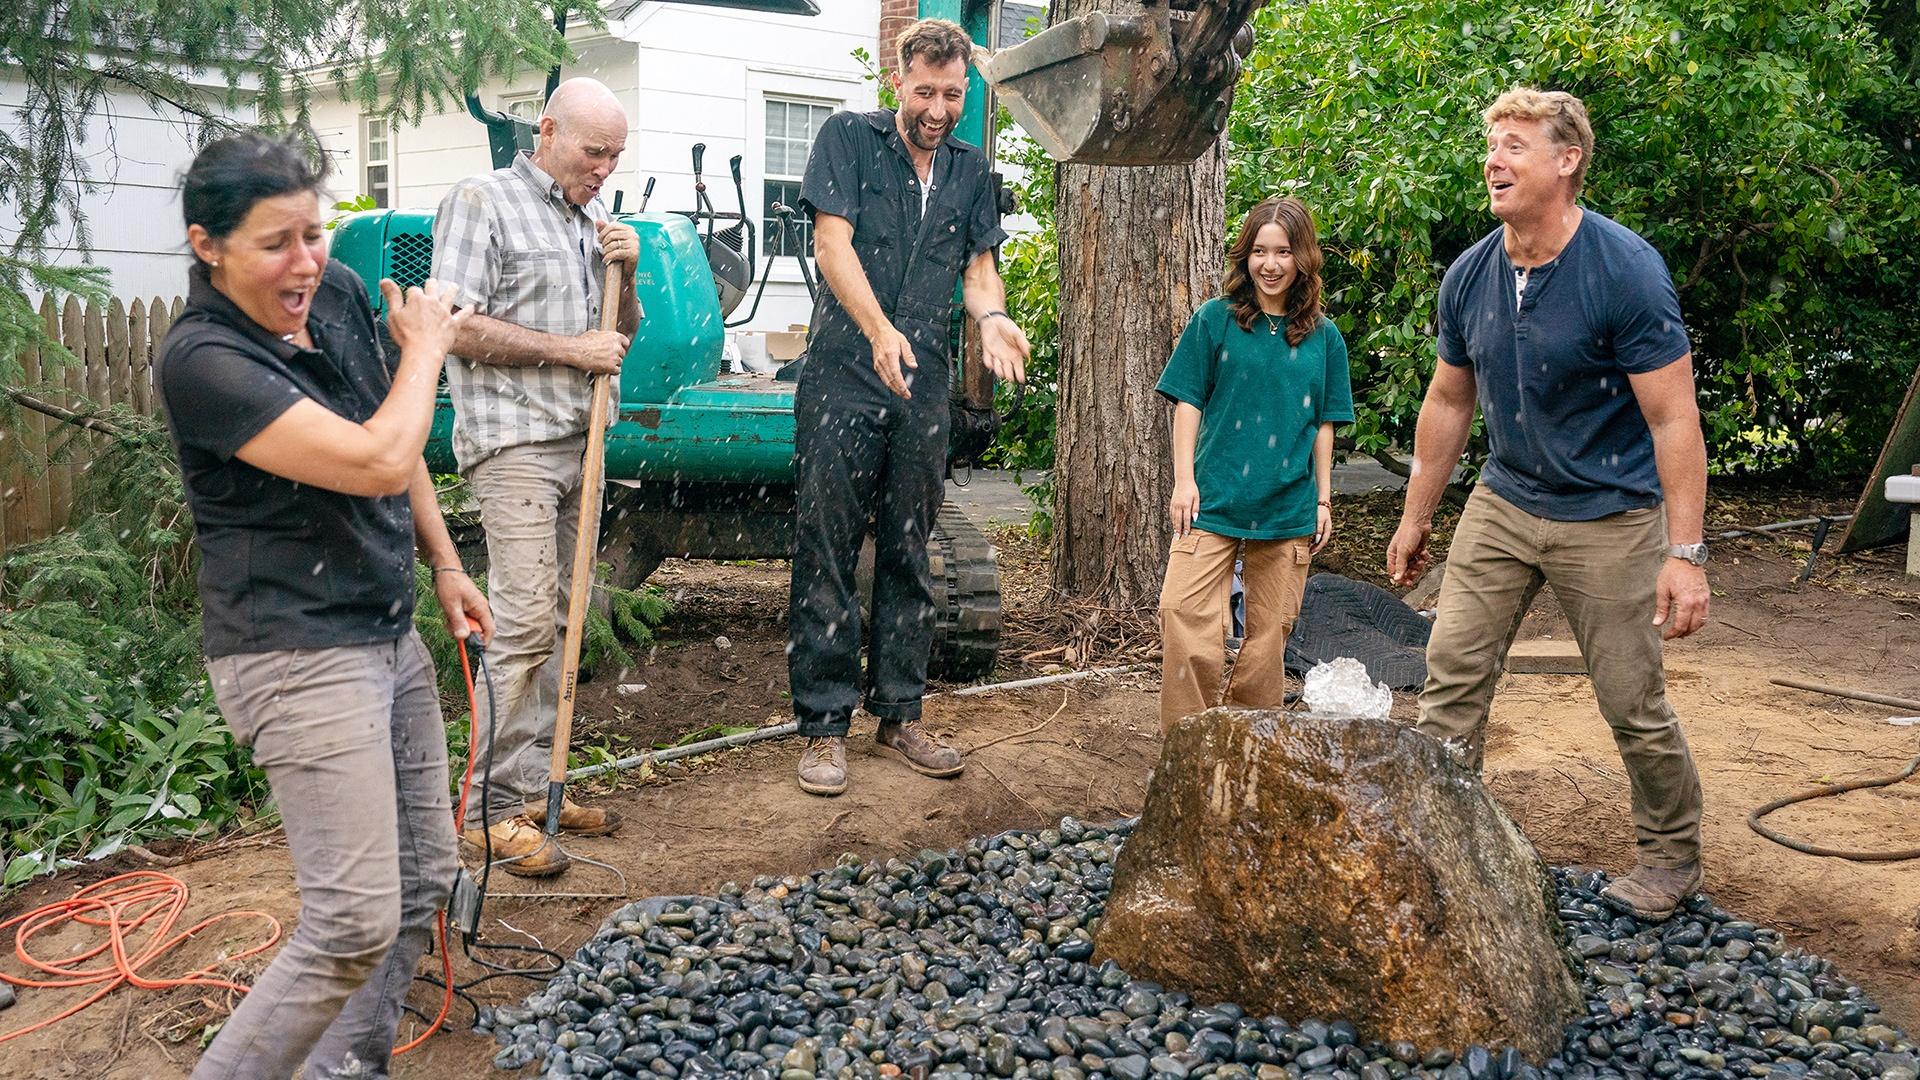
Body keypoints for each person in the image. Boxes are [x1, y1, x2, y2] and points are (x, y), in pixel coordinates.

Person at [157, 132, 491, 1080]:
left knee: (424, 873)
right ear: (207, 246)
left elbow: (392, 435)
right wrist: (429, 346)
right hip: (295, 657)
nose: (305, 262)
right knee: (348, 919)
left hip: (383, 633)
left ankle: (345, 1067)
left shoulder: (334, 291)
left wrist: (444, 563)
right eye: (276, 243)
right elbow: (379, 453)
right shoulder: (204, 362)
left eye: (315, 232)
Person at [1386, 88, 1711, 920]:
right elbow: (1449, 402)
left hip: (1610, 512)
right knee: (1449, 676)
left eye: (1516, 145)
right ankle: (1438, 836)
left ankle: (1670, 856)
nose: (1494, 159)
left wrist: (1685, 554)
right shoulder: (1472, 273)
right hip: (1507, 498)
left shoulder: (1623, 269)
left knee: (1630, 699)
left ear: (1566, 162)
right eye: (1492, 143)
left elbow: (1673, 417)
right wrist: (1418, 514)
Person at [788, 17, 1031, 796]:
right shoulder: (849, 140)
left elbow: (979, 270)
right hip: (843, 376)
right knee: (826, 547)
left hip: (923, 382)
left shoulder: (969, 168)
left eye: (953, 93)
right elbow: (833, 245)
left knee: (910, 545)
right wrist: (880, 329)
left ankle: (901, 712)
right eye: (926, 91)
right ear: (899, 79)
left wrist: (990, 319)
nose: (938, 107)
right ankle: (826, 729)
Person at [431, 77, 641, 875]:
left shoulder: (594, 218)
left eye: (616, 156)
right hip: (515, 445)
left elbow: (616, 335)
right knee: (520, 623)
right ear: (547, 132)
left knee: (563, 617)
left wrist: (631, 272)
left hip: (581, 441)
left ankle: (526, 792)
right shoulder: (481, 201)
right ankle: (482, 811)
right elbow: (453, 324)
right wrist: (566, 350)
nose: (605, 169)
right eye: (594, 152)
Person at [1156, 196, 1353, 733]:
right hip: (1212, 496)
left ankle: (1246, 746)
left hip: (1288, 504)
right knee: (1182, 613)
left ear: (1301, 259)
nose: (1270, 264)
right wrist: (1183, 480)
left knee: (1270, 640)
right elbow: (1188, 402)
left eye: (1283, 252)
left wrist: (1323, 498)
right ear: (1245, 257)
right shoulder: (1215, 321)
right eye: (1260, 251)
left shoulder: (1324, 337)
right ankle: (1187, 746)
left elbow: (1324, 423)